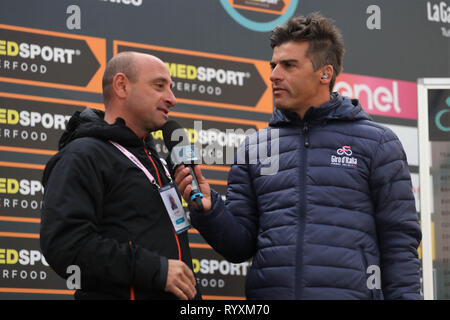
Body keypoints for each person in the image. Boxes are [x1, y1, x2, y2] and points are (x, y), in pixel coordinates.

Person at [175, 13, 422, 300]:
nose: (274, 75)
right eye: (273, 65)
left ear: (325, 73)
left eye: (289, 65)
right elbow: (239, 246)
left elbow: (399, 243)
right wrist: (210, 211)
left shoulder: (378, 142)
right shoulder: (255, 147)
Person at [40, 51, 200, 300]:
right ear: (122, 86)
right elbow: (66, 246)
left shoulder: (155, 160)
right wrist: (155, 270)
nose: (172, 99)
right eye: (159, 86)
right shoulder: (82, 155)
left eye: (171, 88)